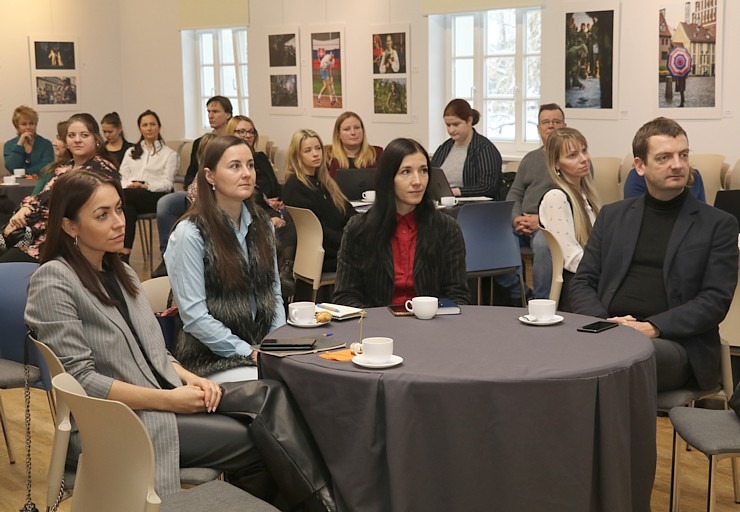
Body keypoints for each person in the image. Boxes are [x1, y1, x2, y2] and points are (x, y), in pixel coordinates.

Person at [24, 169, 336, 512]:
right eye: (102, 215)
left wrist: (191, 378)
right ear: (69, 226)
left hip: (159, 395)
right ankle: (326, 505)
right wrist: (170, 400)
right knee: (261, 440)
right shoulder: (55, 280)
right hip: (114, 424)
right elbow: (83, 381)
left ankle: (322, 503)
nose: (118, 222)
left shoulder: (122, 272)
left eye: (118, 209)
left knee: (271, 393)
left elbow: (154, 351)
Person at [570, 117, 738, 392]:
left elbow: (714, 301)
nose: (678, 164)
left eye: (683, 155)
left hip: (676, 344)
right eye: (664, 157)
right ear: (640, 166)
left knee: (623, 358)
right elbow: (583, 281)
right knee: (555, 346)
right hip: (608, 331)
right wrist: (603, 321)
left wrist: (653, 327)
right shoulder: (613, 216)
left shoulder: (718, 224)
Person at [166, 135, 285, 383]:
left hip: (260, 350)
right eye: (235, 166)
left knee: (310, 381)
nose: (247, 174)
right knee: (275, 388)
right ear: (210, 176)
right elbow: (195, 318)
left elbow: (274, 293)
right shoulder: (190, 233)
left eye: (250, 165)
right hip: (209, 359)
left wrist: (276, 344)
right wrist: (249, 352)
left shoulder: (263, 225)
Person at [334, 138, 469, 308]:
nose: (418, 181)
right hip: (377, 329)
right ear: (388, 178)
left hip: (431, 326)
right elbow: (345, 296)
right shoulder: (359, 229)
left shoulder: (447, 228)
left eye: (423, 171)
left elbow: (458, 295)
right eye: (406, 172)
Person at [0, 113, 117, 263]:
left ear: (96, 139)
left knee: (5, 265)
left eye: (84, 135)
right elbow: (42, 196)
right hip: (38, 229)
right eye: (71, 135)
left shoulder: (101, 169)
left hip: (63, 238)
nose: (77, 140)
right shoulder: (65, 167)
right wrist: (25, 209)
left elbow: (76, 208)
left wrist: (33, 214)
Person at [153, 96, 232, 277]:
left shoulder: (233, 142)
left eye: (215, 111)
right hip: (198, 188)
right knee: (166, 203)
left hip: (220, 190)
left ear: (228, 114)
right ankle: (167, 255)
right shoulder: (200, 141)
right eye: (208, 112)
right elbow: (190, 173)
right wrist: (197, 186)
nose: (211, 116)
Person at [507, 103, 566, 299]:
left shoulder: (573, 159)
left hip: (552, 225)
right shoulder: (530, 159)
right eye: (545, 122)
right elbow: (515, 193)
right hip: (522, 224)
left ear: (564, 126)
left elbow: (577, 202)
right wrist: (516, 219)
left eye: (556, 122)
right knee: (496, 240)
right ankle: (522, 296)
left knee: (543, 244)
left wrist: (540, 220)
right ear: (539, 128)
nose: (551, 126)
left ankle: (542, 302)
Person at [538, 128, 601, 311]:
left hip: (591, 280)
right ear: (556, 164)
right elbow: (571, 258)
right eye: (573, 155)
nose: (584, 159)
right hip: (577, 289)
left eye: (584, 150)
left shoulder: (586, 194)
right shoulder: (556, 197)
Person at [282, 129, 356, 272]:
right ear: (297, 155)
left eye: (318, 148)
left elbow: (348, 211)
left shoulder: (325, 182)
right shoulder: (295, 185)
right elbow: (318, 230)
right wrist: (348, 241)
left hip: (336, 246)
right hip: (321, 254)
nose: (315, 154)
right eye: (308, 150)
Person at [118, 110, 179, 262]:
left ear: (159, 126)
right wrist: (132, 184)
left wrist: (146, 185)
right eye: (145, 125)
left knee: (123, 198)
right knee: (128, 209)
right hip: (131, 195)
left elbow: (167, 183)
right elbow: (121, 177)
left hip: (155, 197)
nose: (149, 128)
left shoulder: (169, 154)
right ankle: (124, 257)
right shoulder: (131, 152)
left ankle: (120, 256)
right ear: (140, 128)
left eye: (152, 124)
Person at [431, 98, 505, 200]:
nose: (451, 130)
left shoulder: (485, 149)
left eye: (456, 124)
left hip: (473, 207)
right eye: (448, 125)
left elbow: (488, 187)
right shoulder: (444, 148)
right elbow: (432, 175)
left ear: (469, 121)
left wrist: (457, 191)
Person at [326, 111, 383, 178]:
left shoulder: (376, 153)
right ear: (338, 134)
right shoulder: (327, 155)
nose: (353, 133)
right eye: (347, 129)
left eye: (357, 128)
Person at [3, 105, 54, 175]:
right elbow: (11, 167)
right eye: (24, 124)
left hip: (39, 181)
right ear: (17, 127)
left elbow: (47, 166)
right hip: (17, 184)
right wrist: (20, 144)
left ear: (36, 125)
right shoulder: (9, 145)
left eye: (31, 123)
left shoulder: (46, 144)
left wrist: (24, 172)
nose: (28, 127)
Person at [623, 166, 705, 202]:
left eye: (683, 155)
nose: (676, 164)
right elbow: (634, 219)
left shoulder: (694, 176)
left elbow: (703, 218)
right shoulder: (638, 177)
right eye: (664, 157)